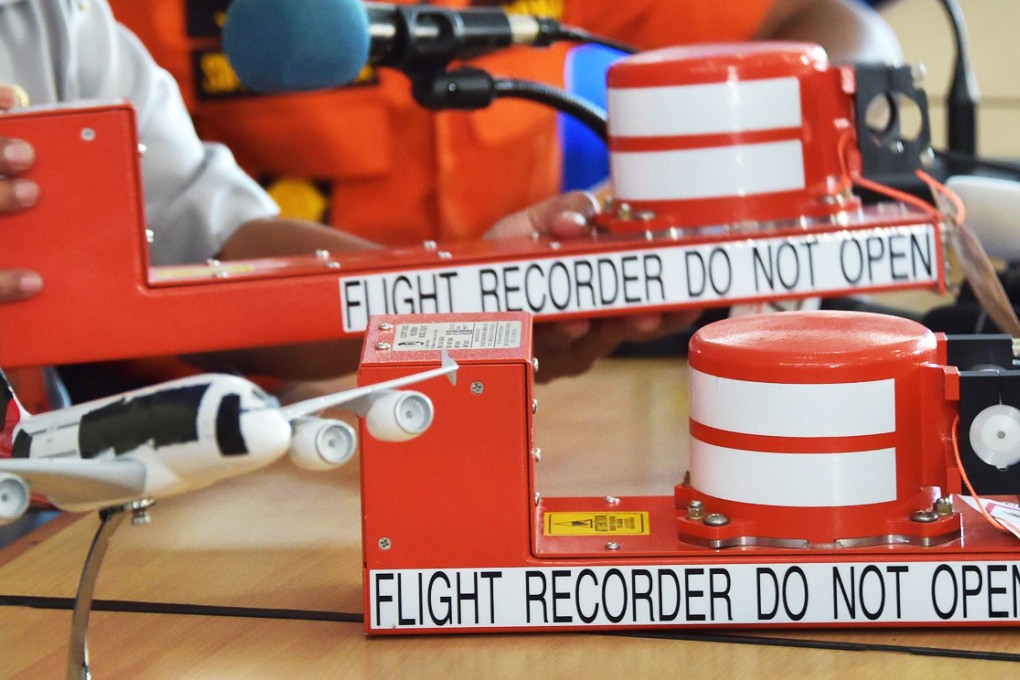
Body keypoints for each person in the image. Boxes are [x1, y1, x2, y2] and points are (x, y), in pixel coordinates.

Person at [0, 0, 690, 388]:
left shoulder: (52, 20)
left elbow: (202, 246)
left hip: (59, 517)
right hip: (185, 431)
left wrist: (476, 303)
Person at [107, 0, 902, 245]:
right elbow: (149, 220)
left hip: (529, 375)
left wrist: (716, 182)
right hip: (245, 409)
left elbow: (828, 23)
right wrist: (451, 307)